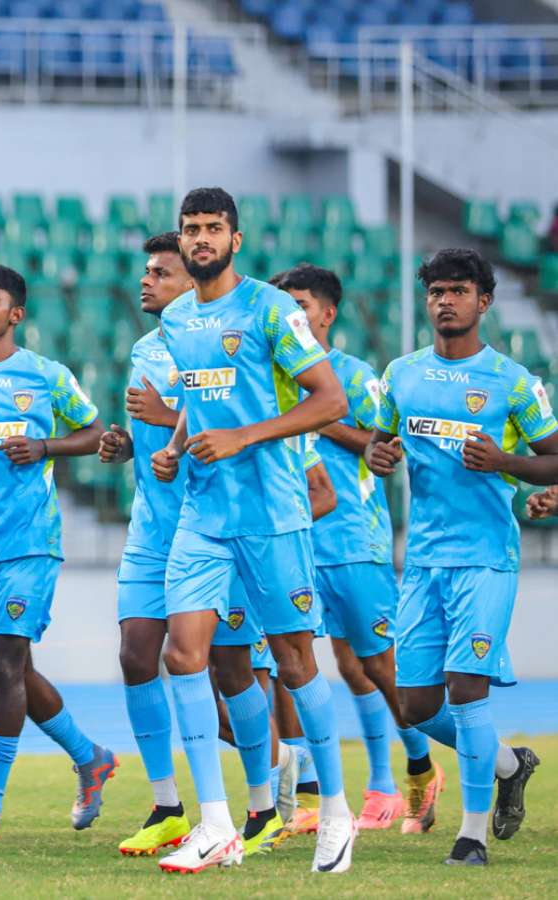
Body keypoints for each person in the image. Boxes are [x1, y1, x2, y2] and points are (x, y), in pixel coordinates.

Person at [147, 187, 353, 874]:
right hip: (203, 514)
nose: (200, 238)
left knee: (294, 662)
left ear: (235, 239)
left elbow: (331, 400)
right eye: (191, 229)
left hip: (272, 513)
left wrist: (244, 436)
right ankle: (215, 823)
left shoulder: (269, 308)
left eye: (213, 228)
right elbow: (200, 394)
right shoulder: (177, 316)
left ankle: (335, 810)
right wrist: (177, 444)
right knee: (182, 654)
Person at [99, 231, 290, 857]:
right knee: (136, 655)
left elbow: (229, 421)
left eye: (161, 272)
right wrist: (127, 444)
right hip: (152, 529)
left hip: (215, 524)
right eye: (147, 270)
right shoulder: (144, 348)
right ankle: (167, 807)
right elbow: (157, 435)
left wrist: (163, 418)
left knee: (231, 670)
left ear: (193, 283)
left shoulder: (226, 341)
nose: (147, 280)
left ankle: (264, 804)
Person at [366, 247, 555, 866]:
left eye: (458, 291)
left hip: (485, 558)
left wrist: (506, 462)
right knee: (415, 705)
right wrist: (378, 455)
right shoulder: (401, 374)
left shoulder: (512, 382)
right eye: (436, 292)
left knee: (466, 687)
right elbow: (379, 441)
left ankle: (471, 836)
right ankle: (507, 764)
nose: (445, 301)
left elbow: (555, 458)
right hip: (423, 560)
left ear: (484, 301)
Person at [0, 263, 116, 841]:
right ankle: (90, 757)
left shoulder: (46, 375)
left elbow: (95, 433)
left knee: (5, 663)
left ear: (15, 314)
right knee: (13, 666)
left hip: (32, 540)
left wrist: (45, 446)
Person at [276, 263, 441, 833]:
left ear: (327, 313)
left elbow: (384, 444)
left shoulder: (353, 375)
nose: (292, 315)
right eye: (284, 306)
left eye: (300, 304)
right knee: (305, 666)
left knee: (374, 663)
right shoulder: (272, 376)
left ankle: (420, 765)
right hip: (291, 538)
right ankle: (355, 790)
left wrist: (318, 417)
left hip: (350, 537)